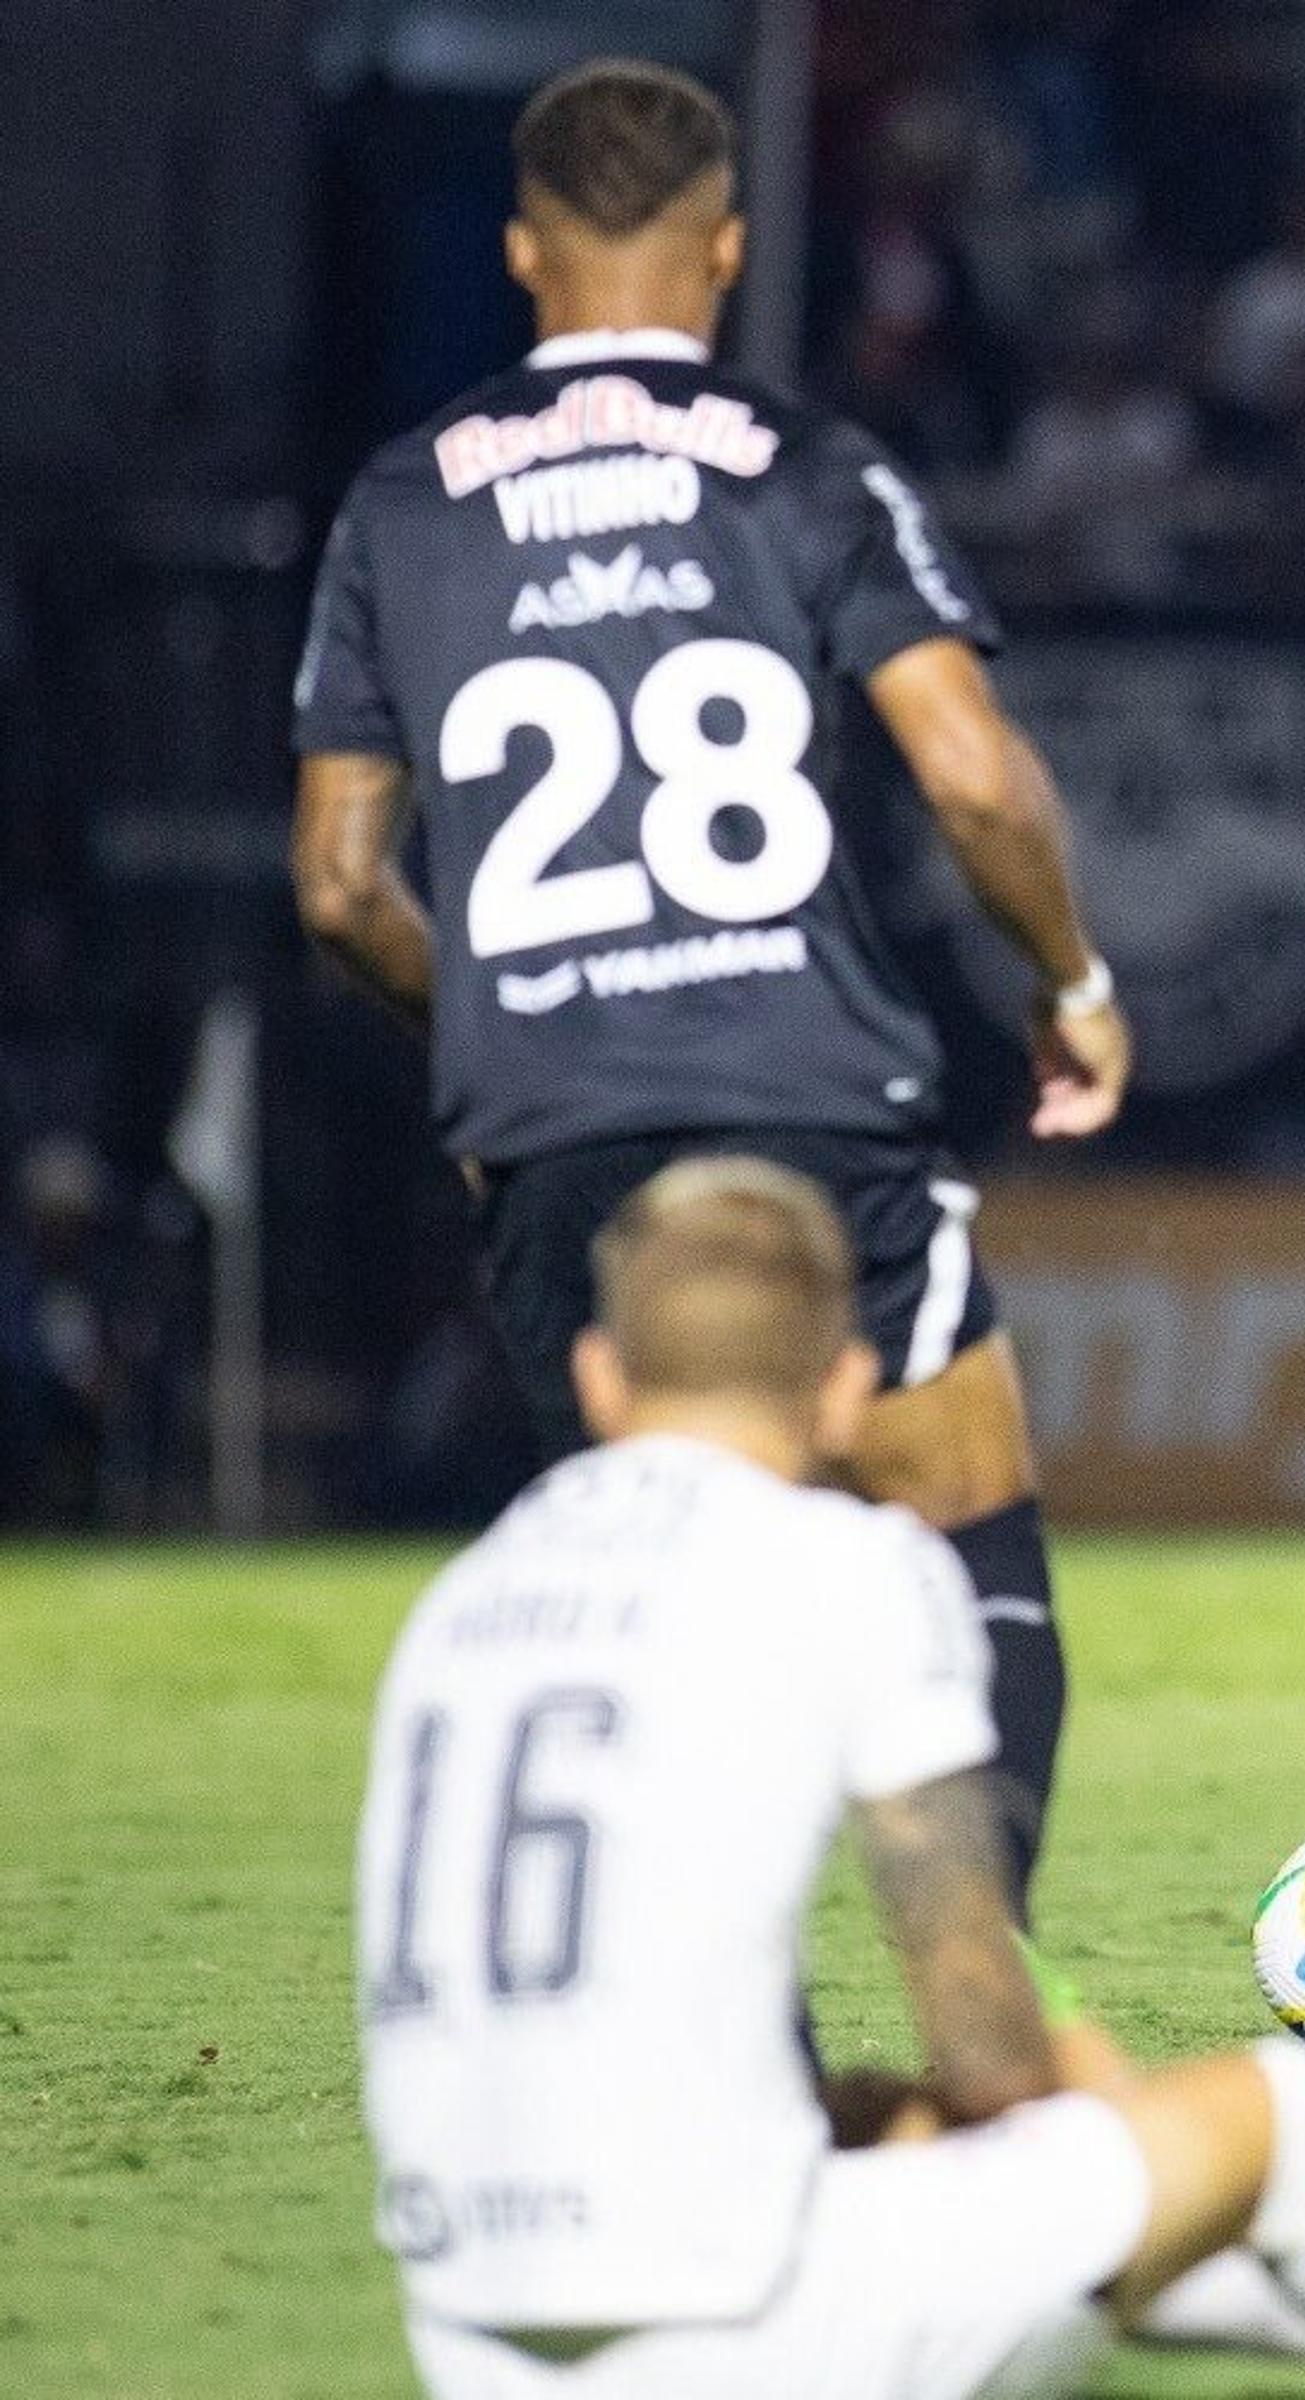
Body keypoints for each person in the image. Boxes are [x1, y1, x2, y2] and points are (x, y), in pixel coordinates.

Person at [356, 1157, 1305, 2400]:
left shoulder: (458, 1599)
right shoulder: (846, 1565)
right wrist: (1135, 2129)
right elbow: (979, 2016)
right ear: (844, 1390)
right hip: (733, 2332)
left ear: (602, 1377)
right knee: (1277, 2118)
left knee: (885, 2124)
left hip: (475, 2336)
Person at [293, 60, 1111, 1903]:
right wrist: (1074, 975)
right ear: (728, 250)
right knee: (965, 1540)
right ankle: (977, 2019)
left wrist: (506, 1016)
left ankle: (710, 2039)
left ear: (522, 252)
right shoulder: (804, 467)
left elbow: (340, 887)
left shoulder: (403, 504)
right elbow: (973, 776)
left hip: (552, 1139)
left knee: (665, 1595)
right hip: (801, 1095)